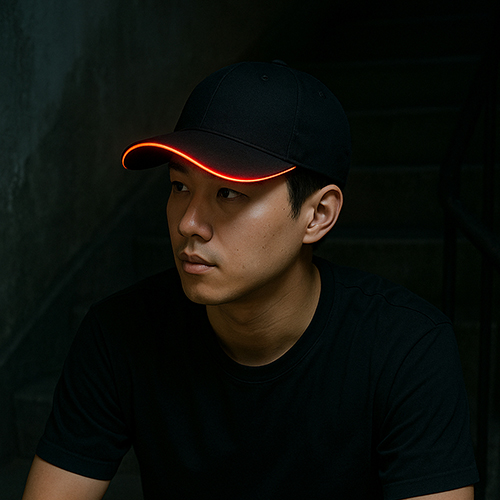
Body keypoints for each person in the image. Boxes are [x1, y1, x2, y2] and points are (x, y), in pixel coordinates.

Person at [23, 61, 478, 499]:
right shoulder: (120, 332)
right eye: (180, 187)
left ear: (318, 215)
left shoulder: (406, 347)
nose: (188, 223)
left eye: (228, 193)